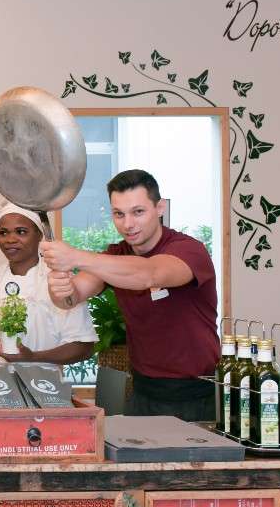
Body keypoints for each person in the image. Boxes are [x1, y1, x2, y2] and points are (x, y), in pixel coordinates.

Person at [43, 169, 218, 421]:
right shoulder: (116, 255)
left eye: (138, 212)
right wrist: (59, 288)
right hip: (142, 392)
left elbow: (149, 274)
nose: (128, 224)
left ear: (159, 208)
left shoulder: (188, 250)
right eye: (119, 214)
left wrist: (76, 257)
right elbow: (72, 296)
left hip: (196, 394)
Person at [0, 202, 97, 364]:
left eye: (21, 232)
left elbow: (84, 347)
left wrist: (33, 357)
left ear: (39, 235)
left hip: (43, 379)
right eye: (3, 233)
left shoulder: (59, 281)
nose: (10, 239)